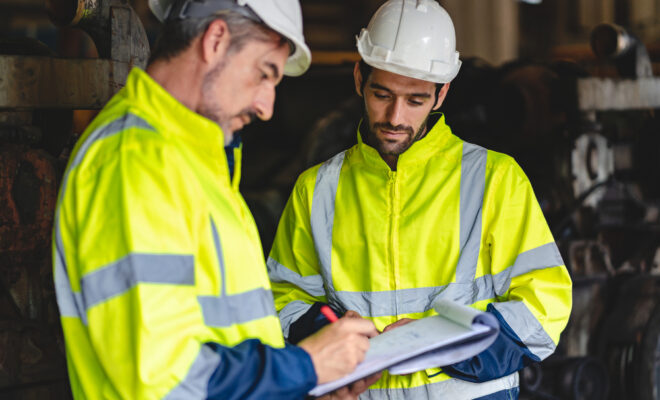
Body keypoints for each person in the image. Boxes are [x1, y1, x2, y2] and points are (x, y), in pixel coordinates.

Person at [51, 0, 380, 398]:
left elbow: (224, 345)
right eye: (264, 74)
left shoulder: (194, 162)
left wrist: (306, 386)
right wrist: (306, 365)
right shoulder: (135, 163)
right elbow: (164, 383)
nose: (267, 106)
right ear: (216, 40)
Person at [267, 0, 573, 399]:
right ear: (359, 77)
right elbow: (283, 300)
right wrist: (334, 330)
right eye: (382, 94)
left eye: (415, 100)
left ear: (441, 94)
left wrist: (440, 345)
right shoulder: (317, 189)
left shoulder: (495, 179)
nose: (396, 117)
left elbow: (544, 303)